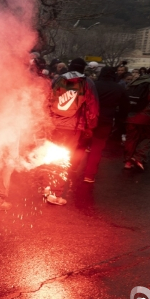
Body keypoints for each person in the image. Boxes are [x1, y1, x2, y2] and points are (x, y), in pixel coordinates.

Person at [44, 57, 99, 205]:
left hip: (54, 124)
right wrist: (91, 127)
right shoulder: (87, 82)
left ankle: (47, 188)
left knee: (51, 156)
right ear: (83, 68)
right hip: (73, 127)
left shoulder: (58, 79)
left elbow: (47, 100)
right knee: (64, 159)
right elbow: (92, 108)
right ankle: (55, 194)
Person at [82, 67, 128, 182]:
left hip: (88, 119)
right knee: (97, 148)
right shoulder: (119, 88)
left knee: (81, 145)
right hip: (105, 121)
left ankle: (71, 168)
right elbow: (124, 107)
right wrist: (119, 121)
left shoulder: (93, 85)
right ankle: (89, 174)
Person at [123, 70, 150, 170]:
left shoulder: (134, 83)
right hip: (148, 118)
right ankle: (138, 158)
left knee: (131, 138)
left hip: (131, 117)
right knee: (149, 137)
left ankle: (128, 161)